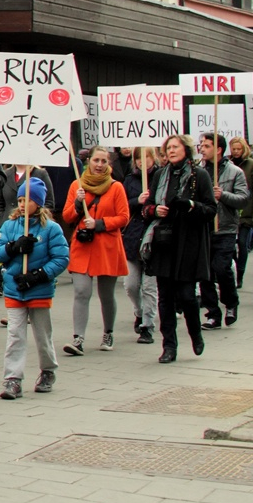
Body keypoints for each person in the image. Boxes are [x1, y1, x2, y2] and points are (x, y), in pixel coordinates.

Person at [138, 135, 215, 364]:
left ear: (185, 149)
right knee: (165, 298)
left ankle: (195, 333)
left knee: (187, 296)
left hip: (188, 243)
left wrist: (191, 205)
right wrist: (154, 210)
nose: (171, 151)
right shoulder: (161, 175)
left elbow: (211, 209)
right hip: (164, 242)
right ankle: (169, 346)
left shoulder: (199, 175)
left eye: (175, 147)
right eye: (167, 148)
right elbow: (146, 209)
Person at [0, 178, 70, 399]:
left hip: (39, 289)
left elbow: (61, 258)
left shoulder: (51, 229)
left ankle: (48, 370)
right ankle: (12, 379)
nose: (23, 204)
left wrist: (38, 276)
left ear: (39, 202)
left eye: (28, 200)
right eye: (20, 199)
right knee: (15, 335)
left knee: (42, 335)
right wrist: (13, 247)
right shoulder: (9, 226)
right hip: (15, 288)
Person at [60, 146, 130, 354]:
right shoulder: (77, 185)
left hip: (107, 246)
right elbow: (67, 216)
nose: (99, 165)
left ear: (109, 164)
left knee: (106, 294)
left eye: (104, 161)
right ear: (88, 161)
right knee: (81, 291)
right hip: (83, 245)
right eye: (96, 161)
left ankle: (108, 332)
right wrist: (78, 203)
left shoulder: (116, 187)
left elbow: (124, 217)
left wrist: (100, 224)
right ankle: (78, 338)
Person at [198, 132, 247, 330]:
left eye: (207, 145)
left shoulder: (235, 172)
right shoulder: (197, 172)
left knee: (221, 268)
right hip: (203, 228)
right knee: (205, 273)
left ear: (218, 150)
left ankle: (231, 302)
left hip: (225, 228)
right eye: (201, 144)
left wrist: (223, 195)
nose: (202, 148)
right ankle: (212, 313)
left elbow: (243, 198)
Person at [121, 148, 158, 345]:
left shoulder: (161, 177)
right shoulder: (129, 180)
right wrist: (137, 201)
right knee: (131, 285)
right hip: (133, 237)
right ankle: (139, 311)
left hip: (154, 238)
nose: (143, 162)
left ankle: (147, 326)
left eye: (146, 157)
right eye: (139, 159)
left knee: (150, 287)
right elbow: (122, 205)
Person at [228, 136, 253, 288]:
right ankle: (234, 271)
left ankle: (240, 273)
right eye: (233, 149)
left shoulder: (252, 165)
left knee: (242, 243)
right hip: (231, 210)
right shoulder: (227, 164)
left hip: (246, 211)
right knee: (231, 245)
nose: (235, 152)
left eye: (238, 149)